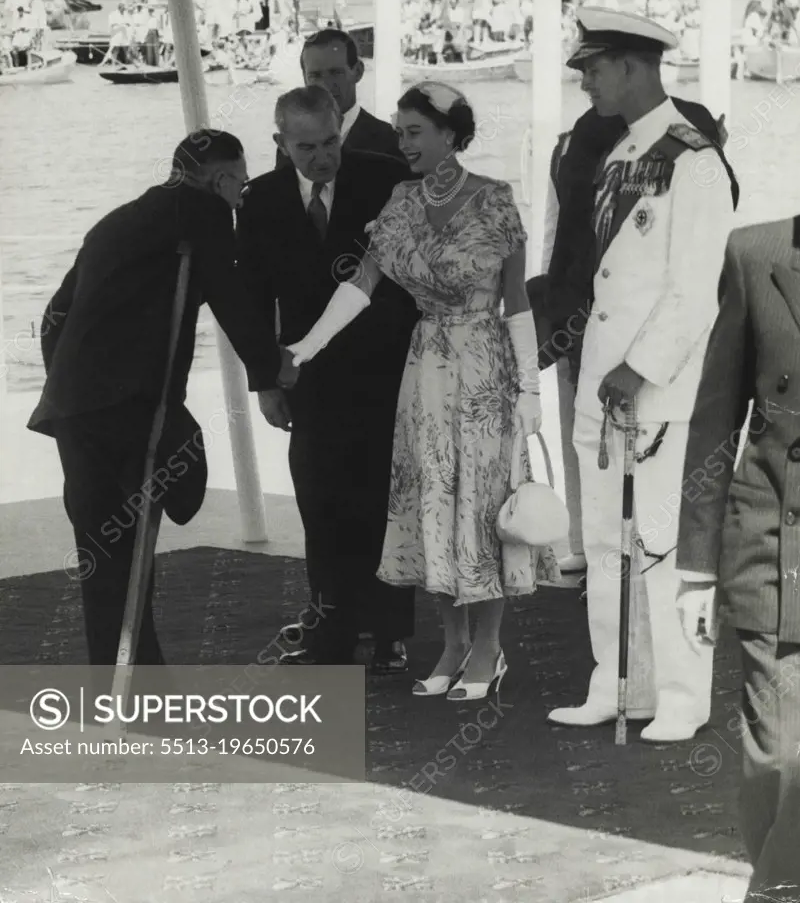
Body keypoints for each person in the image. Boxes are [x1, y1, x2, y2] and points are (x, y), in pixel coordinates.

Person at [283, 81, 559, 701]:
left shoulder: (494, 199)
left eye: (413, 132)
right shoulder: (401, 202)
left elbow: (517, 303)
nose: (401, 142)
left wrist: (531, 389)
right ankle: (452, 644)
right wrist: (309, 343)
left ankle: (489, 648)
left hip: (486, 365)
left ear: (449, 135)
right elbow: (363, 281)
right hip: (426, 366)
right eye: (401, 131)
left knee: (483, 510)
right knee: (431, 502)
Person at [676, 73, 800, 903]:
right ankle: (789, 892)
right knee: (787, 759)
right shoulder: (758, 255)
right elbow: (713, 420)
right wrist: (693, 567)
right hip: (780, 551)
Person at [27, 130, 289, 670]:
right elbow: (232, 302)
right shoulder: (202, 214)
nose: (241, 195)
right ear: (219, 179)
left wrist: (70, 384)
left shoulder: (117, 220)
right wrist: (270, 375)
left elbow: (55, 317)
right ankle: (135, 677)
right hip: (131, 406)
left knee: (103, 551)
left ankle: (124, 677)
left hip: (75, 407)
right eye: (240, 182)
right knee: (168, 481)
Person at [544, 8, 735, 742]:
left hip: (656, 387)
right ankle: (617, 682)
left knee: (660, 547)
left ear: (632, 66)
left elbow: (696, 289)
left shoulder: (693, 160)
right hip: (604, 377)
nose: (585, 80)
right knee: (603, 543)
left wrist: (639, 366)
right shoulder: (620, 153)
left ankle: (682, 697)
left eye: (593, 67)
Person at [236, 86, 419, 671]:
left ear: (343, 129)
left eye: (331, 141)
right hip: (306, 378)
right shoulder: (259, 200)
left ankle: (389, 636)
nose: (323, 157)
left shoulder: (387, 178)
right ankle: (332, 637)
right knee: (321, 506)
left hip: (385, 369)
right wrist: (265, 379)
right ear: (281, 144)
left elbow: (410, 278)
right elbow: (252, 298)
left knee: (382, 504)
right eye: (307, 146)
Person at [539, 74, 739, 581]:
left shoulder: (684, 132)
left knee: (649, 464)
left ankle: (632, 562)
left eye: (597, 67)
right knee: (589, 444)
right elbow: (557, 234)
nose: (588, 82)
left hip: (645, 330)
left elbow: (701, 252)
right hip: (587, 316)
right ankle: (598, 551)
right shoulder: (571, 145)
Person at [275, 28, 402, 170]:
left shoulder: (392, 142)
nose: (326, 85)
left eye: (336, 73)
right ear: (305, 78)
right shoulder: (291, 145)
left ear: (358, 72)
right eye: (315, 76)